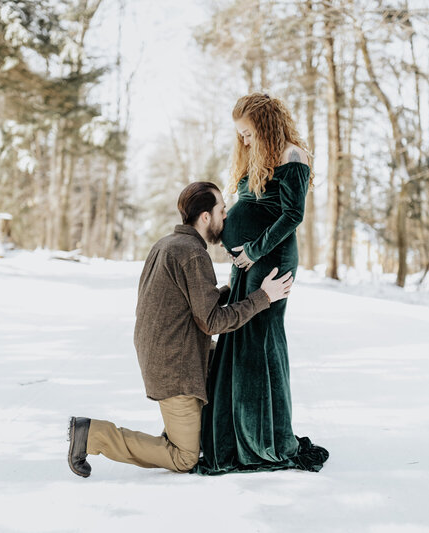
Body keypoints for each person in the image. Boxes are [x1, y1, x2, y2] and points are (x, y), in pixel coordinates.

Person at [68, 181, 294, 477]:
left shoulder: (168, 244)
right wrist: (263, 297)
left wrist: (239, 284)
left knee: (228, 364)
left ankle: (192, 432)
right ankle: (91, 435)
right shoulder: (192, 254)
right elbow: (212, 321)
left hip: (167, 354)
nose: (226, 217)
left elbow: (195, 301)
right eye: (222, 210)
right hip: (177, 367)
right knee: (184, 456)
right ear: (205, 217)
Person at [195, 93, 329, 475]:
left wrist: (252, 249)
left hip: (271, 258)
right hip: (247, 259)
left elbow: (292, 215)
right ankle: (235, 432)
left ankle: (265, 436)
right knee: (240, 334)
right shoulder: (259, 157)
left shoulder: (292, 157)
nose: (244, 141)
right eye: (240, 135)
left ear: (266, 125)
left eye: (248, 133)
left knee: (261, 338)